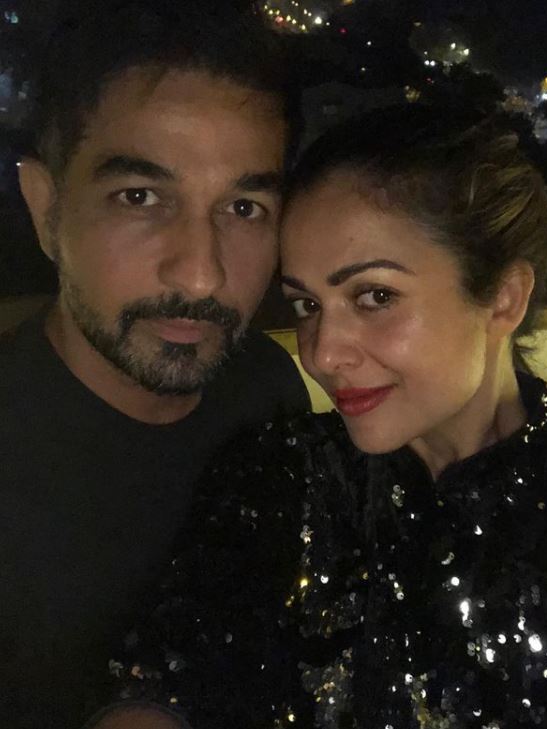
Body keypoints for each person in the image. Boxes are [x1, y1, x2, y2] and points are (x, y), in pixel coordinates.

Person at [91, 107, 547, 729]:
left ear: (504, 298)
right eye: (306, 304)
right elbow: (170, 674)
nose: (322, 354)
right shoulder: (281, 475)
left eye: (375, 296)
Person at [0, 1, 310, 726]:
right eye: (140, 197)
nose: (201, 274)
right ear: (46, 210)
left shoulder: (265, 384)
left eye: (244, 208)